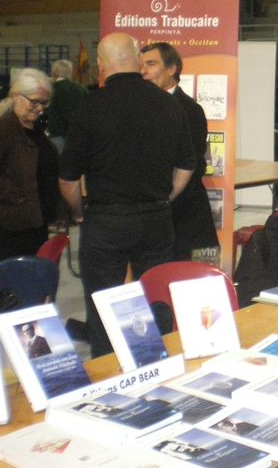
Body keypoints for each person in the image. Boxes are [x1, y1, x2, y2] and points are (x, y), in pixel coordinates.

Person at [59, 32, 195, 358]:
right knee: (156, 297)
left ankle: (108, 372)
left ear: (102, 66)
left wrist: (80, 211)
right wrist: (164, 199)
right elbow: (187, 167)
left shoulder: (89, 105)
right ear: (136, 60)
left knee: (103, 300)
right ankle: (161, 363)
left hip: (105, 220)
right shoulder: (168, 103)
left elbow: (67, 179)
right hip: (155, 218)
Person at [140, 42, 219, 260]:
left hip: (183, 215)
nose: (143, 71)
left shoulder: (189, 110)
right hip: (151, 215)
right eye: (141, 65)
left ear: (172, 68)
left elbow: (190, 164)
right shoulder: (139, 108)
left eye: (151, 64)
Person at [0, 68, 61, 261]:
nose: (39, 108)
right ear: (16, 96)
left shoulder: (37, 130)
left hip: (37, 218)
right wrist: (17, 196)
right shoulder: (0, 132)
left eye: (44, 102)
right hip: (13, 223)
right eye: (34, 101)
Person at [46, 59, 88, 153]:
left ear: (54, 72)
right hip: (78, 135)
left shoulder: (50, 90)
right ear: (70, 72)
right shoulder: (81, 89)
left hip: (57, 135)